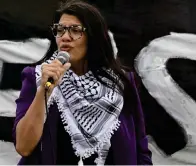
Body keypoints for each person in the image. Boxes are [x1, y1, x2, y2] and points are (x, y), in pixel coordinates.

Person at [12, 0, 152, 165]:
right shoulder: (37, 77)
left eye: (75, 30)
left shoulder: (120, 82)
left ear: (93, 37)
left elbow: (141, 148)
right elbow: (24, 147)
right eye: (60, 30)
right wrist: (45, 89)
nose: (65, 37)